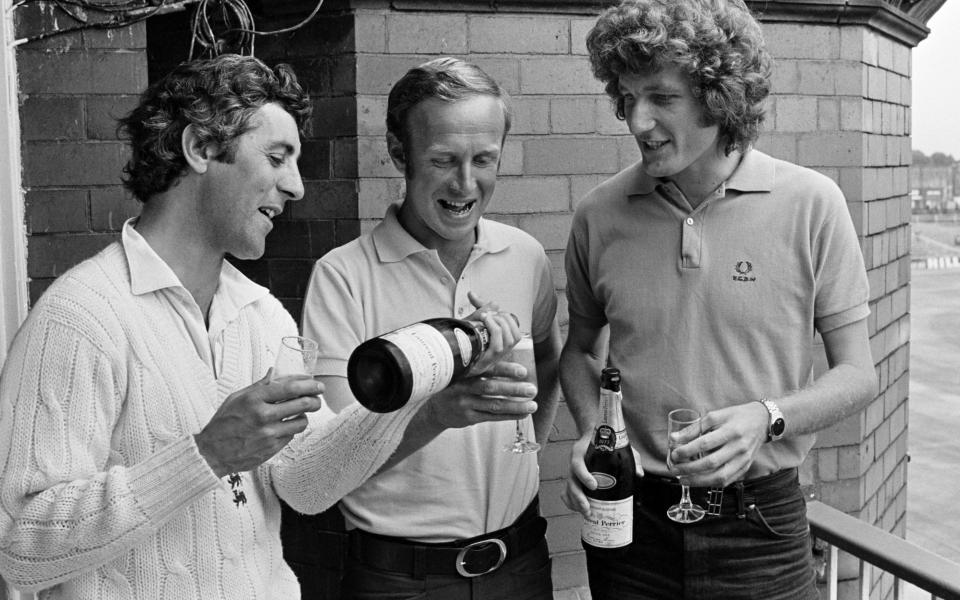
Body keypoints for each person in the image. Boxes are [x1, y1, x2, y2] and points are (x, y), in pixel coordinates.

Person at [0, 54, 520, 600]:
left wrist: (429, 397)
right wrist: (205, 454)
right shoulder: (80, 317)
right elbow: (19, 550)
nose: (295, 186)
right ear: (201, 148)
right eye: (276, 157)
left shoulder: (261, 314)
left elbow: (304, 483)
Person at [560, 1, 878, 598]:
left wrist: (766, 418)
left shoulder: (813, 204)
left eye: (661, 97)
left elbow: (859, 374)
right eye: (627, 99)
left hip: (760, 525)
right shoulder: (598, 215)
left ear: (719, 95)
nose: (637, 121)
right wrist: (587, 431)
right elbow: (578, 351)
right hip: (632, 526)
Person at [300, 57, 562, 599]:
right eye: (443, 160)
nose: (466, 183)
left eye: (484, 159)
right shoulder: (342, 277)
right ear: (400, 153)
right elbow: (331, 458)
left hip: (521, 565)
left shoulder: (526, 256)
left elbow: (551, 364)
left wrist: (527, 447)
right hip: (398, 579)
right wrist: (440, 413)